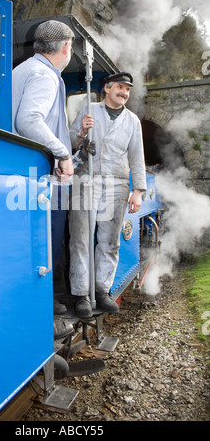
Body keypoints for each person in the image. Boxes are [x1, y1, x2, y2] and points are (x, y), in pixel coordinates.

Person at [12, 19, 76, 338]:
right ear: (65, 48)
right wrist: (63, 153)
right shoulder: (45, 75)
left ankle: (42, 303)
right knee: (47, 241)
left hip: (21, 174)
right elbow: (29, 120)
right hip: (39, 179)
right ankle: (43, 311)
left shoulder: (22, 70)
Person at [69, 72, 147, 319]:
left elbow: (137, 156)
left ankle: (102, 290)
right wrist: (82, 132)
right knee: (80, 238)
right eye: (120, 88)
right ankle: (81, 294)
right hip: (86, 180)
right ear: (106, 88)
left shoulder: (132, 121)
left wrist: (138, 191)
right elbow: (70, 139)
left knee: (109, 242)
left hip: (117, 185)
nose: (124, 93)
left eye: (127, 90)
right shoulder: (89, 110)